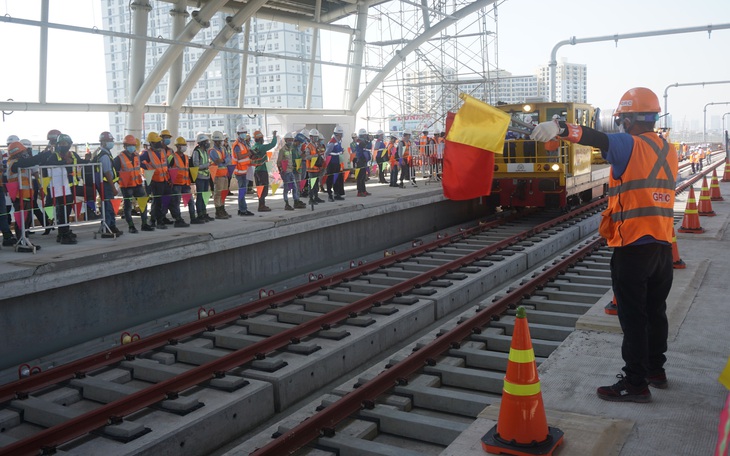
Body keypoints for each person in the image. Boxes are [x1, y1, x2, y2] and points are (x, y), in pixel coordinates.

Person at [532, 87, 677, 403]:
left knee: (633, 316)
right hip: (663, 246)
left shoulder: (629, 145)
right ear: (653, 118)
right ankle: (656, 370)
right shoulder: (668, 148)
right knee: (656, 312)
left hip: (633, 246)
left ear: (627, 120)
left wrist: (559, 127)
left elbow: (596, 139)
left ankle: (635, 383)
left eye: (623, 120)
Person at [114, 135, 154, 233]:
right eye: (130, 145)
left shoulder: (137, 156)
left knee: (143, 204)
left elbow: (142, 166)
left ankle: (144, 224)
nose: (132, 147)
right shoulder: (119, 158)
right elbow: (114, 172)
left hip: (137, 184)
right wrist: (119, 181)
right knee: (128, 207)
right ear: (125, 145)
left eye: (133, 145)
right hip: (126, 186)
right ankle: (131, 226)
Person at [94, 132, 123, 238]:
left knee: (109, 206)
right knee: (108, 207)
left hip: (106, 184)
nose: (112, 143)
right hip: (106, 185)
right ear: (103, 142)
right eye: (110, 141)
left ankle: (111, 226)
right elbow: (107, 172)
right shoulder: (104, 156)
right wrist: (113, 188)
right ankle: (107, 229)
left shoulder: (105, 154)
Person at [140, 132, 172, 229]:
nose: (159, 144)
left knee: (165, 200)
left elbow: (166, 165)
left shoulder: (162, 151)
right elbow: (138, 162)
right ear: (151, 143)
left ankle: (158, 218)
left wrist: (169, 178)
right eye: (156, 142)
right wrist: (148, 168)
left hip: (165, 180)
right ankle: (158, 221)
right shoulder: (146, 153)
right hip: (155, 181)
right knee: (157, 202)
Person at [165, 137, 193, 227]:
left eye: (185, 145)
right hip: (176, 184)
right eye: (182, 145)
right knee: (176, 202)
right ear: (177, 146)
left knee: (190, 201)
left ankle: (193, 217)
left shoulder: (186, 157)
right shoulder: (172, 157)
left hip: (185, 183)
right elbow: (167, 169)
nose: (184, 147)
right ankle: (178, 219)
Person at [249, 129, 278, 212]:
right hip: (262, 171)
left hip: (256, 171)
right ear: (260, 139)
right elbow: (272, 144)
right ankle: (261, 206)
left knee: (259, 188)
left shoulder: (253, 147)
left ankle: (261, 205)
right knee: (264, 189)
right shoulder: (261, 147)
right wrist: (274, 135)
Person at [277, 132, 306, 210]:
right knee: (286, 188)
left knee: (295, 187)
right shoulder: (282, 150)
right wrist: (281, 171)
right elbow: (279, 162)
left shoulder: (290, 149)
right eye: (289, 140)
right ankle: (286, 203)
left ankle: (296, 201)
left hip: (291, 170)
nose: (291, 141)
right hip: (285, 172)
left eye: (292, 140)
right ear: (286, 140)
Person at [231, 124, 255, 216]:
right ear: (238, 133)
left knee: (243, 191)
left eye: (244, 132)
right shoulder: (237, 145)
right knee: (242, 191)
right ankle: (242, 210)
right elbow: (239, 156)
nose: (243, 134)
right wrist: (249, 153)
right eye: (242, 133)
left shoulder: (244, 143)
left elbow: (246, 155)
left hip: (245, 170)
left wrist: (252, 154)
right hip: (239, 171)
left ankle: (243, 209)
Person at [208, 131, 232, 219]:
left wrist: (223, 160)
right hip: (218, 175)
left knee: (224, 193)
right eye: (221, 140)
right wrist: (224, 160)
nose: (222, 142)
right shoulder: (212, 151)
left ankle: (222, 209)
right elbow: (218, 161)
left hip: (225, 174)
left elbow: (228, 158)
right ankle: (218, 211)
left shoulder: (223, 149)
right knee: (218, 194)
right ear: (216, 141)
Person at [191, 132, 214, 222]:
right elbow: (196, 166)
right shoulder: (197, 152)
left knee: (205, 196)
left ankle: (204, 213)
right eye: (206, 141)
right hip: (200, 177)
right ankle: (200, 213)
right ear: (202, 142)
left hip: (206, 177)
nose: (208, 143)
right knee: (200, 196)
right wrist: (207, 165)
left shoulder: (205, 152)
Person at [325, 126, 346, 201]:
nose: (342, 136)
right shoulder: (332, 142)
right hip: (331, 163)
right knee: (330, 179)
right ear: (338, 134)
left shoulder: (338, 141)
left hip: (337, 162)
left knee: (337, 178)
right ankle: (330, 194)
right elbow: (326, 153)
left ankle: (336, 193)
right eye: (341, 134)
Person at [354, 128, 371, 196]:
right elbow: (365, 145)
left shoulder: (362, 141)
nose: (366, 136)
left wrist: (369, 141)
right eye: (365, 135)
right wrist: (369, 140)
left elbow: (369, 147)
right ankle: (359, 191)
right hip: (360, 160)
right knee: (360, 177)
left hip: (363, 160)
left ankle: (363, 190)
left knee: (363, 176)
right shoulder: (359, 141)